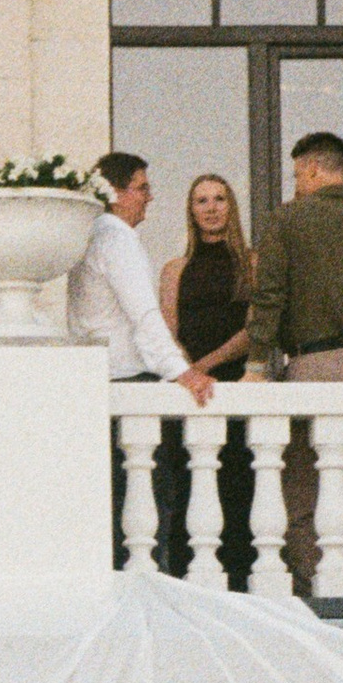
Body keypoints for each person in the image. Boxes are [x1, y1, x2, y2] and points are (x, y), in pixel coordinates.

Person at [243, 131, 343, 592]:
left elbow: (269, 299)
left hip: (315, 364)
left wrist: (255, 365)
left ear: (311, 169)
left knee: (301, 497)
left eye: (296, 174)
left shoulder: (287, 220)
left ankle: (321, 597)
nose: (294, 183)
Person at [68, 153, 213, 569]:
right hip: (131, 384)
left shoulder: (90, 237)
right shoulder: (116, 239)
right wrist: (182, 372)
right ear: (117, 193)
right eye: (143, 187)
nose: (150, 197)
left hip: (103, 385)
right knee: (147, 505)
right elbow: (144, 315)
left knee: (116, 507)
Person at [158, 173, 253, 577]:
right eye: (201, 201)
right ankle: (186, 581)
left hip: (234, 386)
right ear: (191, 210)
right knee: (187, 487)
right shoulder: (175, 269)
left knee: (238, 488)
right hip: (189, 392)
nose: (211, 208)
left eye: (219, 199)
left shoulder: (252, 262)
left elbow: (254, 329)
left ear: (231, 206)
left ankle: (238, 584)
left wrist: (205, 367)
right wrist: (188, 370)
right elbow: (167, 330)